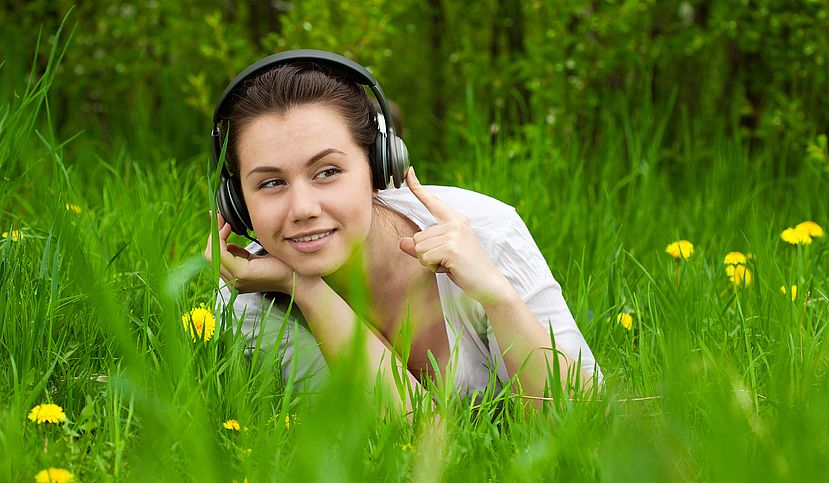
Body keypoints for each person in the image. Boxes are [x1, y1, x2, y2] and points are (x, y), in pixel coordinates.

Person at [204, 50, 601, 414]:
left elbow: (583, 419)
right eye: (271, 183)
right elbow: (418, 439)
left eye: (327, 172)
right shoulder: (247, 309)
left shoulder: (485, 231)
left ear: (379, 169)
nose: (303, 209)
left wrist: (497, 297)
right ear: (237, 202)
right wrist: (304, 288)